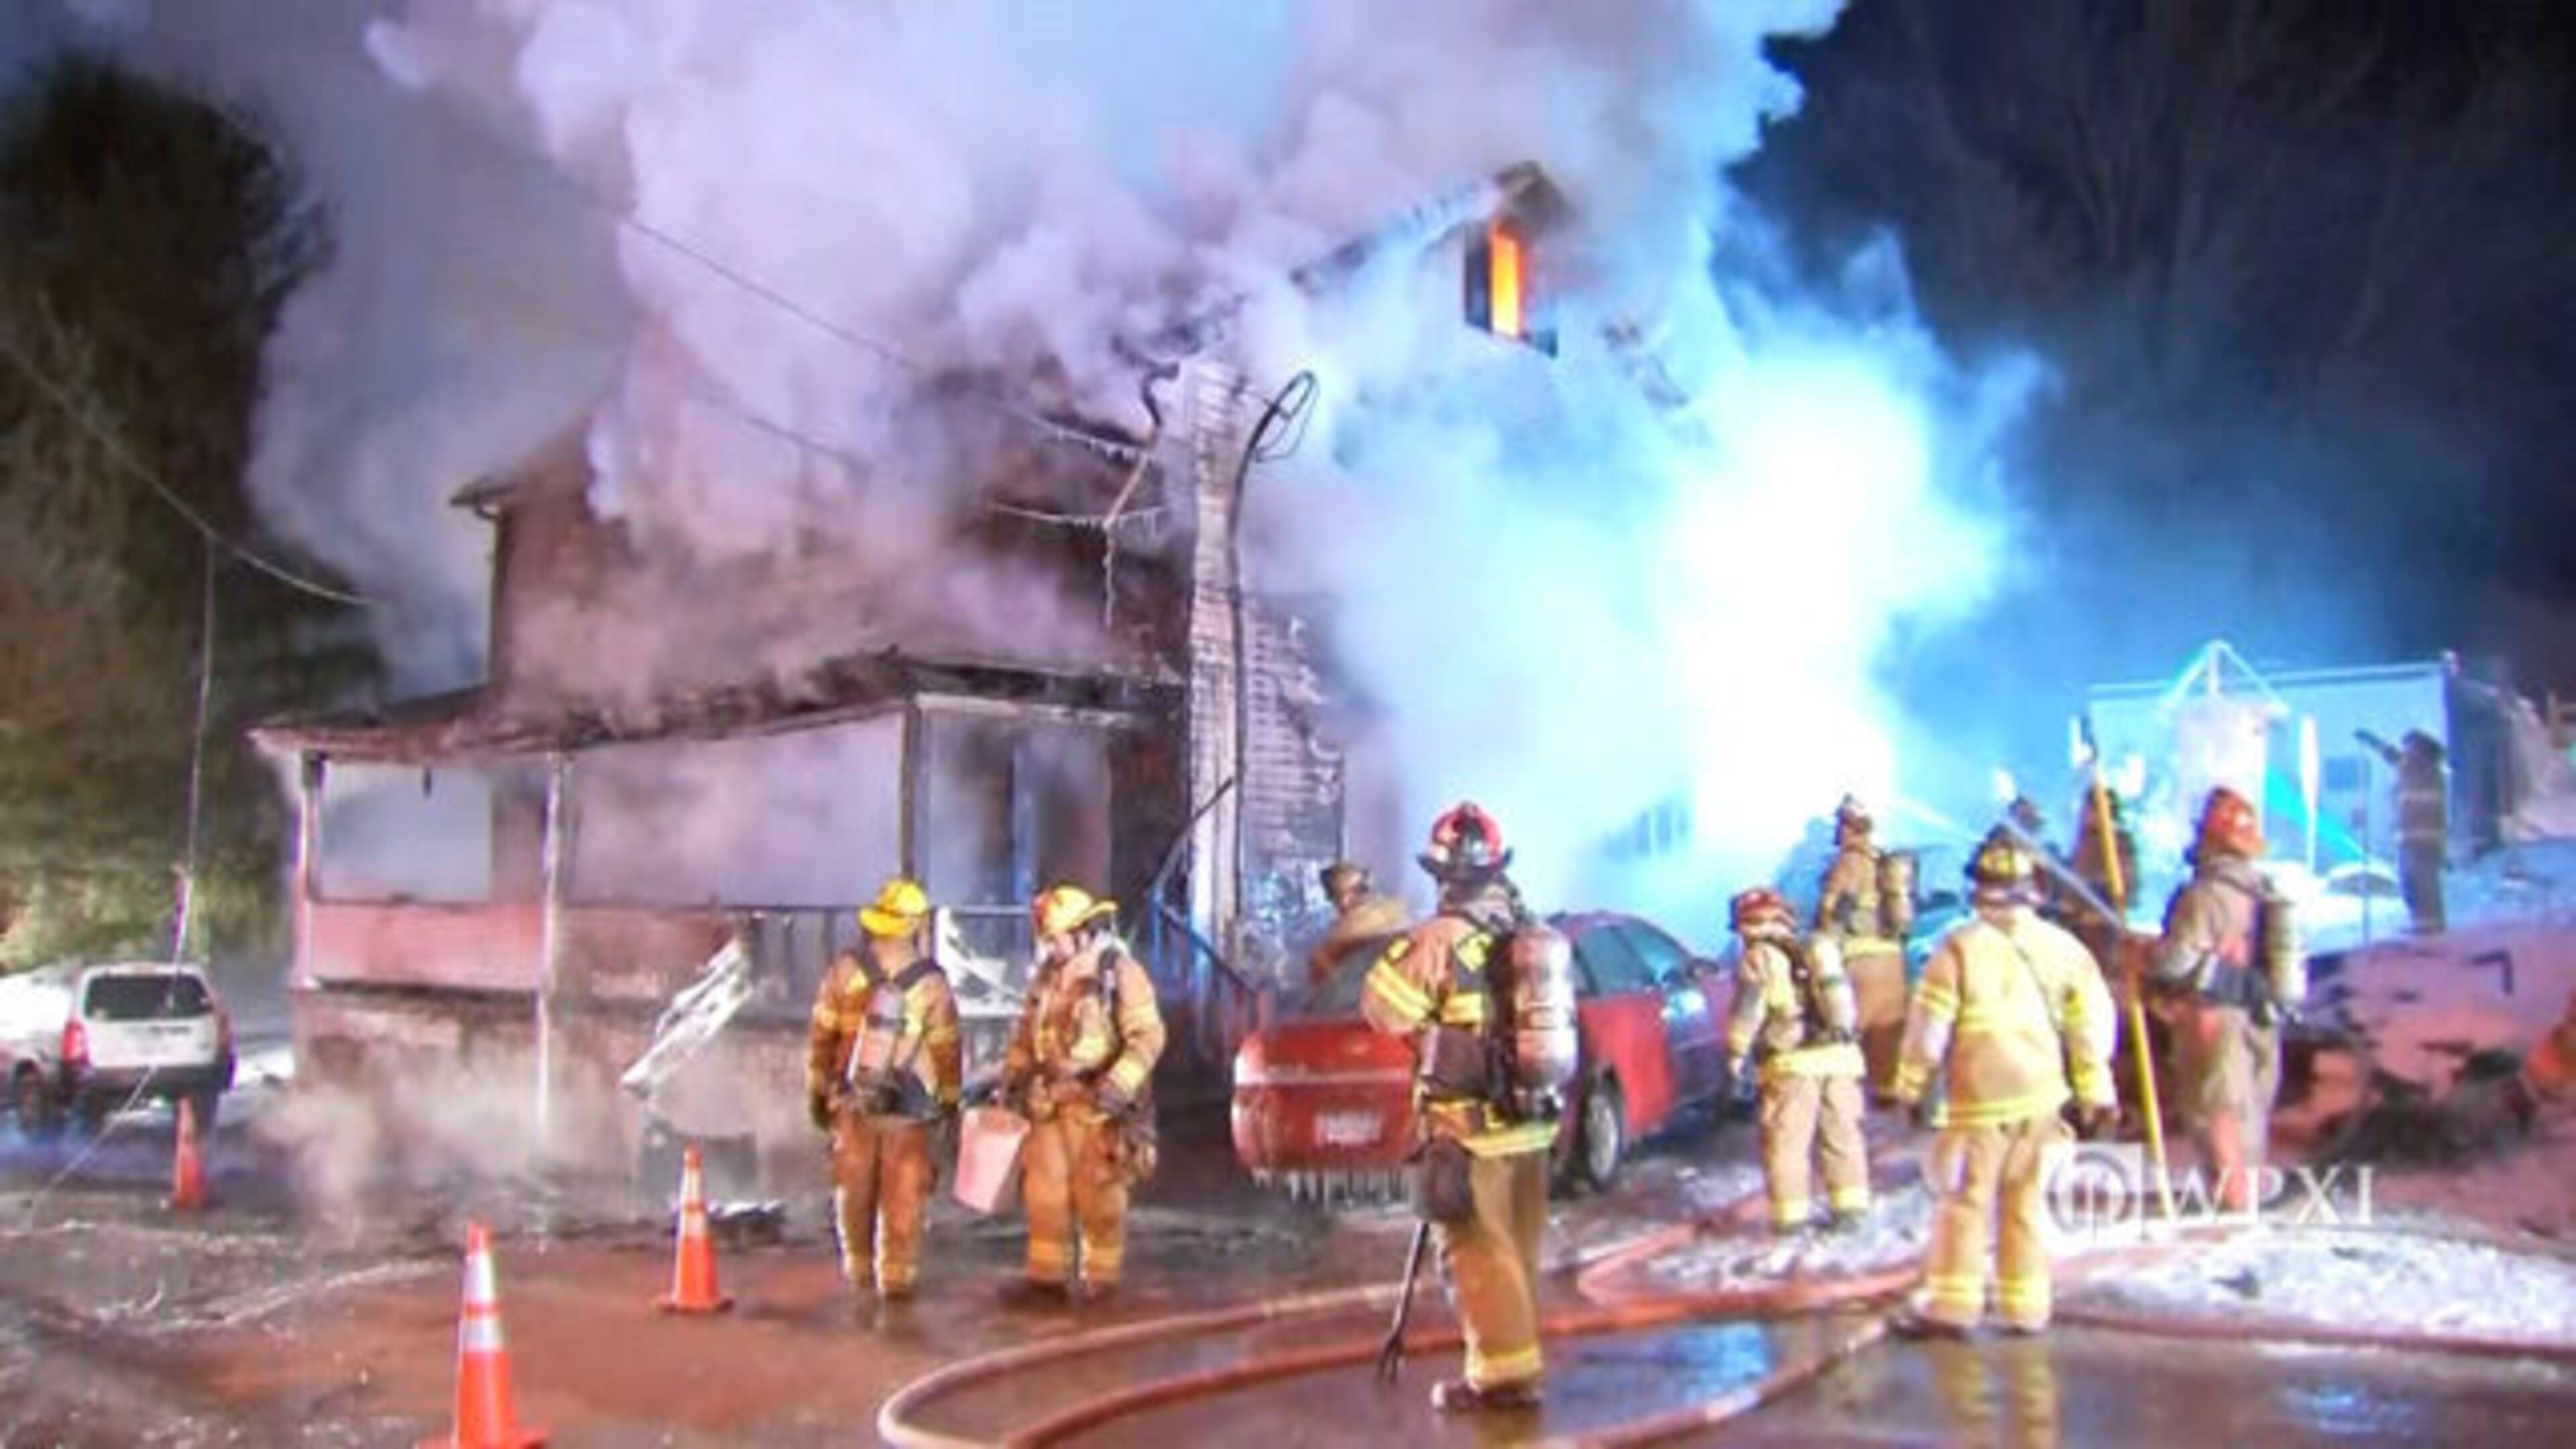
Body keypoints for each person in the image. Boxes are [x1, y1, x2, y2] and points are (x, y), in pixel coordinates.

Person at [1362, 802, 1556, 1414]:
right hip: (1529, 1121)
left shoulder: (1437, 939)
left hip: (1467, 1128)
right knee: (1517, 1247)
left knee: (1477, 1252)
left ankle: (1502, 1382)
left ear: (1443, 874)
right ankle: (1520, 1363)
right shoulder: (1527, 934)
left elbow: (1382, 1008)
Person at [1889, 826, 2117, 1338]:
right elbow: (2091, 1033)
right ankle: (2026, 1309)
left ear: (1979, 888)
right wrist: (2097, 1096)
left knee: (1966, 1205)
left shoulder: (1957, 951)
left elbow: (1928, 1035)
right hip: (2041, 1103)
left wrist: (1909, 1088)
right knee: (2026, 1207)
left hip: (1977, 1108)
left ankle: (1953, 1307)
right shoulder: (2066, 949)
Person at [998, 883, 1167, 1306]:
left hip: (1096, 1109)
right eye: (1047, 939)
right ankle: (1046, 1281)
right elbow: (1025, 1035)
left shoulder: (1118, 972)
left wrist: (1120, 1085)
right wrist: (1013, 1080)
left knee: (1101, 1199)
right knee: (1044, 1195)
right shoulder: (1047, 977)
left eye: (1055, 938)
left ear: (1082, 931)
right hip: (1049, 1105)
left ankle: (1102, 1283)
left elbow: (1148, 1035)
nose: (1049, 947)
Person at [805, 876, 961, 1304]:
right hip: (909, 1109)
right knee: (904, 1191)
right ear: (915, 926)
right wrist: (949, 1101)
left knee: (853, 1189)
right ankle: (897, 1278)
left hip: (851, 1102)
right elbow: (947, 1049)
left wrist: (818, 1098)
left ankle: (857, 1273)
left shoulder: (844, 971)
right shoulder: (932, 984)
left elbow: (820, 1041)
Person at [2147, 787, 2297, 1213]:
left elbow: (2177, 962)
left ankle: (2233, 1210)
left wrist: (2146, 955)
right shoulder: (2260, 888)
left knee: (2219, 1115)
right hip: (2259, 1017)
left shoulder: (2204, 896)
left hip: (2212, 1019)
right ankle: (2242, 1197)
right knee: (2249, 1111)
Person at [1724, 885, 1870, 1233]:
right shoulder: (1819, 947)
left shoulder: (1759, 958)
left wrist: (1735, 1054)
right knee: (1842, 1135)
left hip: (1793, 1064)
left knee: (1787, 1142)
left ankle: (1790, 1220)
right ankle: (1850, 1211)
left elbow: (1748, 1011)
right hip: (1841, 1058)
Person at [1813, 794, 1915, 1096]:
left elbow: (1836, 908)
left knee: (1849, 1033)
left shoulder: (1849, 862)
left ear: (1850, 827)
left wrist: (1824, 939)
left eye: (1841, 824)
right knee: (1887, 1038)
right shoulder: (1880, 860)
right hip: (1891, 959)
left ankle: (1852, 1103)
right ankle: (1892, 1099)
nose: (1838, 831)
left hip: (1859, 959)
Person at [2363, 729, 2449, 934]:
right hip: (2409, 842)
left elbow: (2394, 756)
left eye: (2410, 747)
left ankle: (2432, 931)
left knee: (2425, 888)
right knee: (2411, 888)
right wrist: (2373, 740)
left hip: (2424, 843)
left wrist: (2373, 741)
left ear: (2421, 751)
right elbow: (2392, 755)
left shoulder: (2427, 772)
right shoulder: (2413, 769)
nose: (2406, 752)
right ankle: (2421, 926)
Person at [1308, 860, 1409, 988]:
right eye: (1335, 896)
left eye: (1339, 895)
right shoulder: (1344, 928)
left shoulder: (1371, 923)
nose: (1343, 903)